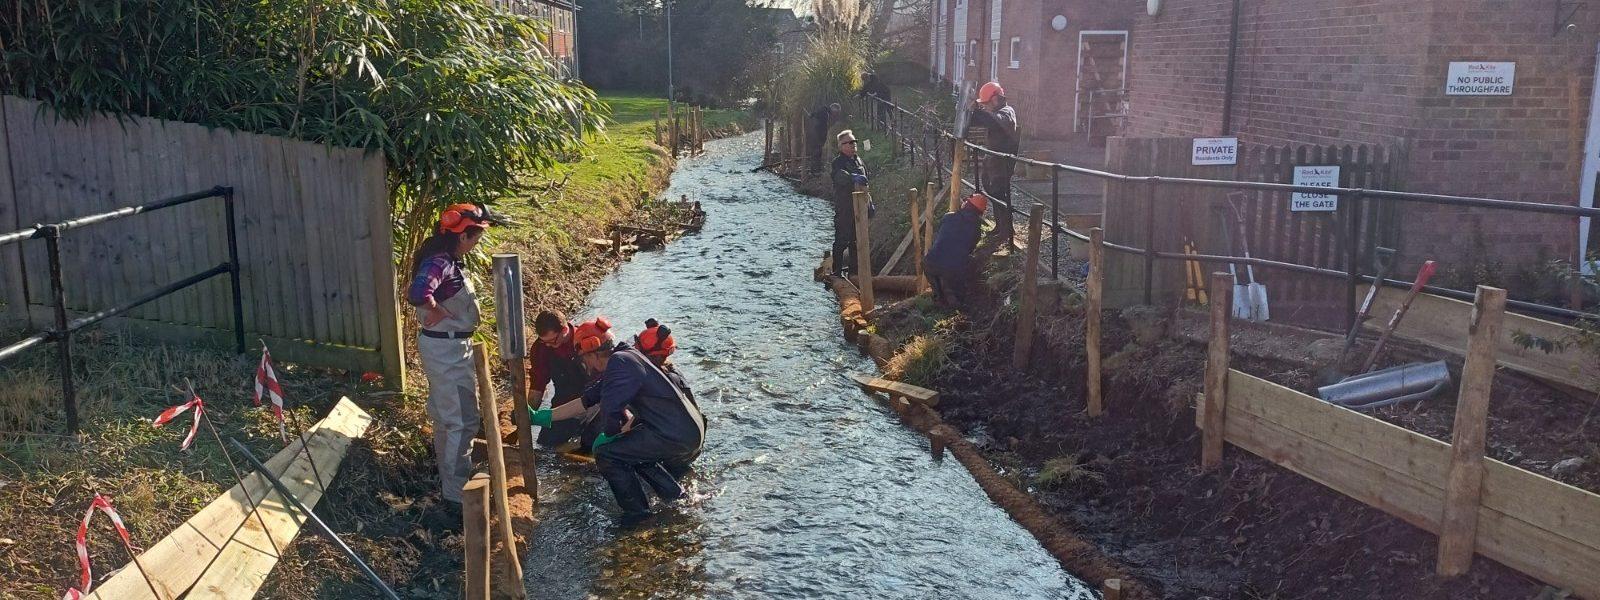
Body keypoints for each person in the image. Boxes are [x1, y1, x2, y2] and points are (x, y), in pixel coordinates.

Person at [405, 203, 504, 506]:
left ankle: (449, 480)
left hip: (444, 346)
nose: (476, 244)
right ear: (462, 237)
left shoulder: (447, 258)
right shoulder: (441, 262)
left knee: (445, 417)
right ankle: (457, 493)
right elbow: (418, 293)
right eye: (475, 238)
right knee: (462, 420)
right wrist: (436, 309)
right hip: (447, 350)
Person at [569, 318, 705, 526]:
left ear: (591, 352)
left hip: (675, 437)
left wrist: (608, 437)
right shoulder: (628, 358)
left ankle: (639, 515)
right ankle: (677, 498)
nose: (583, 363)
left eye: (582, 357)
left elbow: (610, 408)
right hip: (687, 433)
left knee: (608, 454)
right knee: (628, 451)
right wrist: (545, 416)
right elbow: (589, 399)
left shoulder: (620, 363)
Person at [967, 81, 1020, 250]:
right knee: (992, 192)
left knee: (1000, 194)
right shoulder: (995, 112)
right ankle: (1000, 226)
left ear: (996, 99)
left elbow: (994, 122)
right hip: (993, 161)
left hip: (1003, 162)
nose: (987, 107)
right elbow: (984, 120)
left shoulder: (1007, 112)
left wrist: (976, 111)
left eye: (987, 103)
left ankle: (1007, 229)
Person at [527, 309, 590, 449]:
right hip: (562, 403)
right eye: (545, 342)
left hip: (592, 400)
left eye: (552, 341)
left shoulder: (585, 340)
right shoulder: (540, 348)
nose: (548, 345)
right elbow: (538, 385)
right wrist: (529, 413)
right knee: (545, 444)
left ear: (565, 330)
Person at [923, 193, 987, 306]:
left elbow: (941, 236)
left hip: (930, 262)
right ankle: (953, 302)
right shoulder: (977, 231)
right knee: (956, 296)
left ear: (966, 204)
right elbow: (969, 249)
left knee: (940, 289)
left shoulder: (948, 217)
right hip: (952, 268)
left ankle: (940, 298)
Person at [830, 129, 868, 277]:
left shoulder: (858, 160)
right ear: (841, 146)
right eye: (850, 143)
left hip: (859, 207)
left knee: (856, 241)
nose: (854, 145)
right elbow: (840, 177)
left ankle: (854, 273)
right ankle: (836, 272)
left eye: (855, 142)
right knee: (842, 239)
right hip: (845, 207)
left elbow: (866, 181)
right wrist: (853, 178)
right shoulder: (837, 162)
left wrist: (869, 203)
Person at [807, 102, 841, 174]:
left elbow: (814, 114)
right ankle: (815, 171)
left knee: (816, 152)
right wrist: (822, 138)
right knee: (817, 152)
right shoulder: (824, 113)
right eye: (836, 113)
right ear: (833, 110)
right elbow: (822, 127)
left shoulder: (823, 110)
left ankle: (815, 169)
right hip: (817, 135)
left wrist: (811, 115)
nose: (835, 115)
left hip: (815, 134)